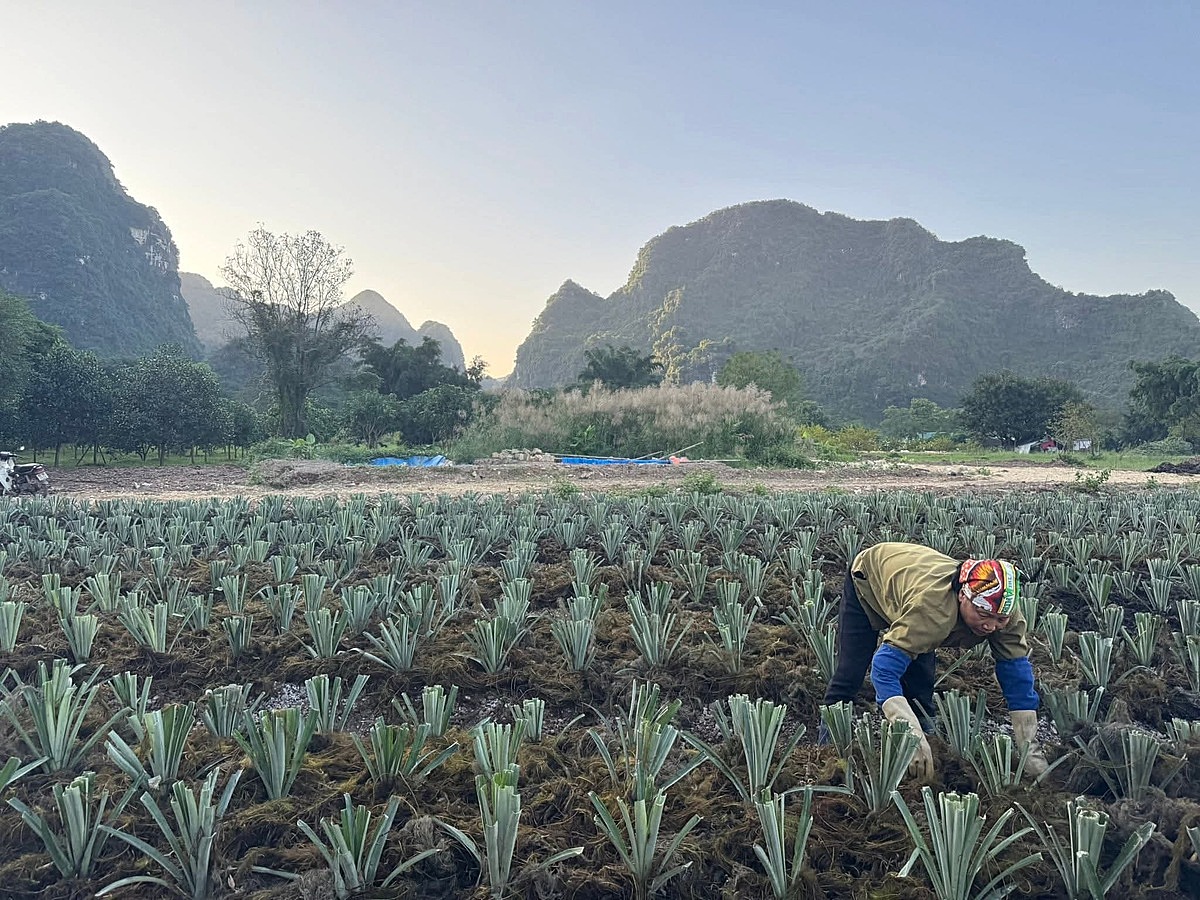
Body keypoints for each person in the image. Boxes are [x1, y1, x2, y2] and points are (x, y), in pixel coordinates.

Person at [819, 542, 1047, 781]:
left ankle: (931, 745)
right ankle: (826, 745)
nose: (991, 626)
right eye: (983, 615)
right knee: (850, 673)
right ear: (963, 596)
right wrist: (908, 729)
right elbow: (884, 669)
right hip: (870, 576)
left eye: (1000, 620)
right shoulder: (934, 610)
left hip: (914, 593)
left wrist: (1029, 747)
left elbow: (1016, 673)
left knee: (920, 683)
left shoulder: (1003, 608)